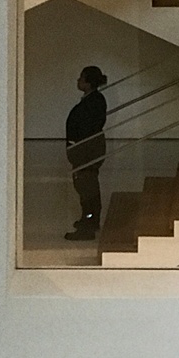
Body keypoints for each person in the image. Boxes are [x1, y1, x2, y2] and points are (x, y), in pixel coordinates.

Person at [64, 65, 108, 241]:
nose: (78, 81)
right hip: (86, 148)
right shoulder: (93, 100)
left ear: (88, 82)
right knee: (86, 185)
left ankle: (88, 225)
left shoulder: (94, 102)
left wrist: (76, 145)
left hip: (87, 149)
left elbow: (87, 127)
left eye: (81, 78)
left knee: (86, 186)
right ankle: (89, 219)